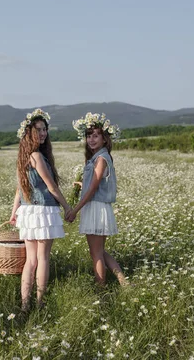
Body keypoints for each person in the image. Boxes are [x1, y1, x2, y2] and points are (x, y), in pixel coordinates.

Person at [9, 109, 71, 312]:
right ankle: (39, 302)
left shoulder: (23, 156)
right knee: (42, 258)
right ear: (29, 132)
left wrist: (14, 211)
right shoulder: (37, 155)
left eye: (45, 129)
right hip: (42, 211)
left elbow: (20, 188)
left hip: (28, 212)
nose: (43, 133)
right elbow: (51, 187)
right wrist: (68, 207)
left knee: (31, 260)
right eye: (38, 130)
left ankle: (25, 304)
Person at [66, 113, 128, 287]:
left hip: (95, 208)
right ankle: (123, 281)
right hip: (96, 206)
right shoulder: (97, 158)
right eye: (88, 136)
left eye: (95, 136)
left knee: (96, 253)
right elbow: (94, 183)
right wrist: (81, 183)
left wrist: (75, 210)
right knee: (100, 251)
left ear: (104, 138)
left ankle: (101, 288)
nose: (91, 140)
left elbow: (93, 188)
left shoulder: (101, 159)